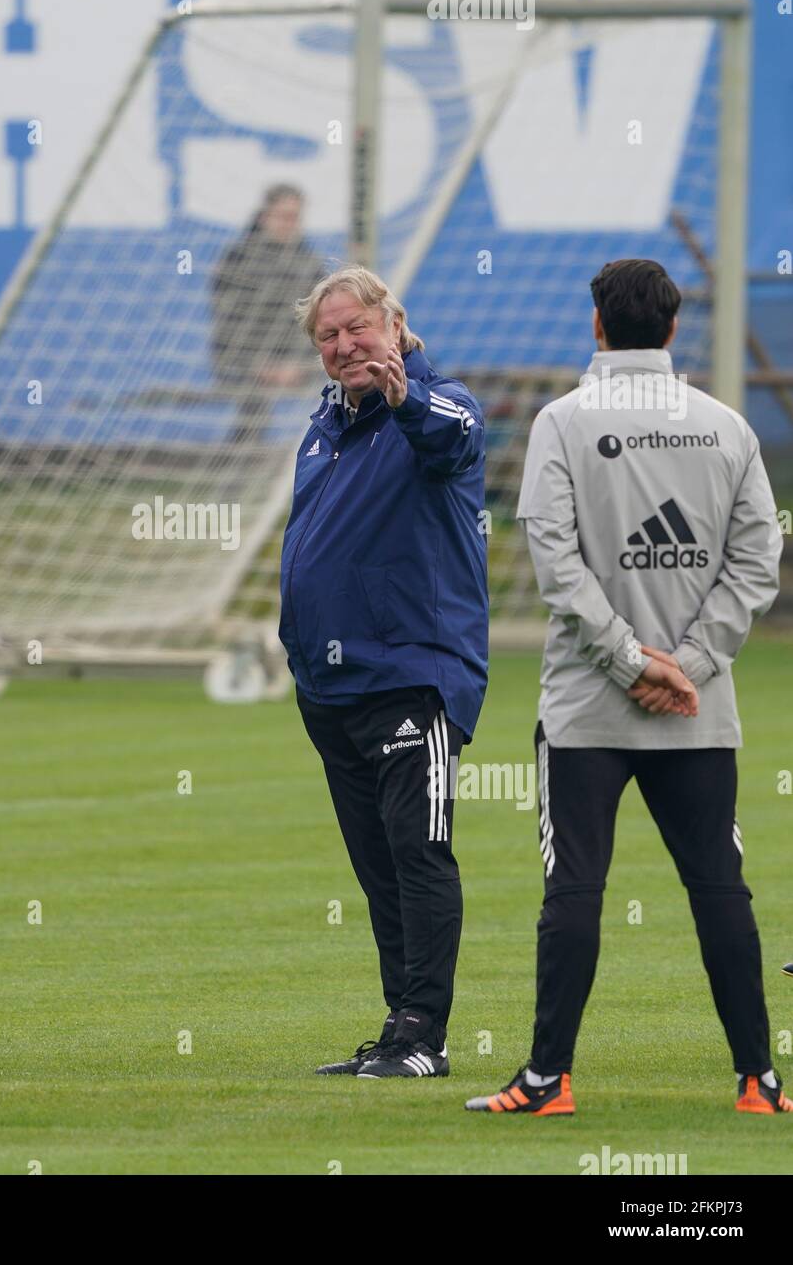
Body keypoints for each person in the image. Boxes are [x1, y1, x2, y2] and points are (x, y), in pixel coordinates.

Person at [467, 258, 789, 1115]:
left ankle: (547, 1081)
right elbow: (758, 561)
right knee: (718, 887)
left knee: (573, 888)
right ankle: (758, 1081)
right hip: (697, 708)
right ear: (674, 330)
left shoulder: (562, 422)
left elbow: (555, 566)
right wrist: (685, 666)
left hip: (585, 711)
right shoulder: (725, 426)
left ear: (597, 327)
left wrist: (630, 662)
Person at [280, 263, 488, 1079]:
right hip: (330, 688)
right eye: (327, 336)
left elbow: (449, 438)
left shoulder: (439, 404)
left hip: (411, 675)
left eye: (355, 328)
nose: (343, 346)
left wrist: (403, 398)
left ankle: (424, 1037)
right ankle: (397, 1029)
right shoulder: (322, 425)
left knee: (419, 853)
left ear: (394, 324)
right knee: (377, 869)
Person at [211, 183, 327, 446]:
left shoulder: (310, 264)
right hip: (244, 362)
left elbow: (316, 324)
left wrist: (297, 365)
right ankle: (242, 456)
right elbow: (228, 325)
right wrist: (260, 365)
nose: (289, 224)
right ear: (264, 216)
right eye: (283, 216)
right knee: (252, 403)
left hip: (296, 365)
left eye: (295, 218)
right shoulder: (237, 260)